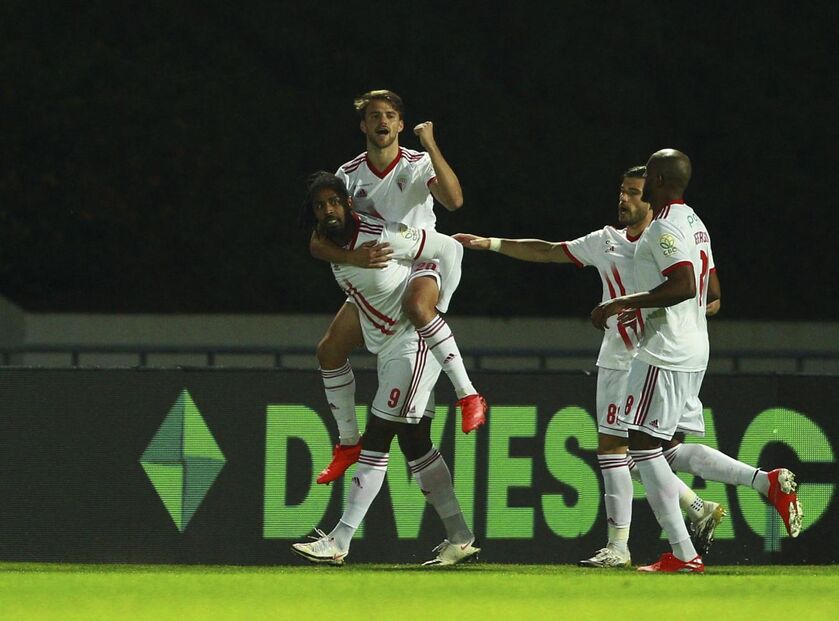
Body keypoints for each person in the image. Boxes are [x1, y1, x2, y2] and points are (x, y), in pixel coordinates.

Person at [455, 166, 725, 568]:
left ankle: (628, 543)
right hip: (649, 357)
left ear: (652, 196)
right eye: (622, 191)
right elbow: (548, 250)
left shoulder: (666, 235)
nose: (625, 199)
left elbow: (702, 294)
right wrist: (492, 243)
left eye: (634, 192)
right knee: (645, 451)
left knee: (621, 450)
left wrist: (647, 313)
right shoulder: (609, 240)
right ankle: (705, 503)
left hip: (644, 358)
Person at [591, 149, 802, 573]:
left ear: (662, 181)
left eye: (649, 174)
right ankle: (763, 482)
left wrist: (622, 303)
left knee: (641, 447)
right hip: (692, 347)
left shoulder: (663, 228)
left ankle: (684, 552)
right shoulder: (695, 222)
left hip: (665, 351)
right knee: (664, 449)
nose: (644, 179)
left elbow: (686, 284)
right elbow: (712, 290)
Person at [292, 172, 480, 566]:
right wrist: (346, 257)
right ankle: (460, 537)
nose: (328, 209)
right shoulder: (327, 241)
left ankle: (340, 539)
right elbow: (317, 248)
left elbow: (449, 250)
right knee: (415, 442)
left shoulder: (382, 235)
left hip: (412, 344)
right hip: (384, 340)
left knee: (379, 434)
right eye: (320, 205)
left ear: (347, 203)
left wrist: (436, 307)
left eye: (333, 202)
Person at [309, 90, 484, 484]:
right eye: (374, 116)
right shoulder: (348, 174)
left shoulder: (419, 162)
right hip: (378, 278)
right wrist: (353, 259)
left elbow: (454, 201)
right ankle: (347, 442)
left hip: (421, 261)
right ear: (364, 125)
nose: (382, 121)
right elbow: (319, 239)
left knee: (418, 310)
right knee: (329, 350)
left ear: (401, 125)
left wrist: (431, 142)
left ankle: (469, 395)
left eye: (389, 115)